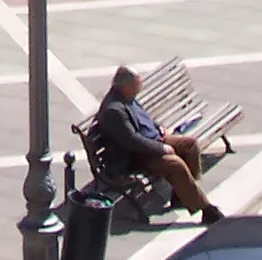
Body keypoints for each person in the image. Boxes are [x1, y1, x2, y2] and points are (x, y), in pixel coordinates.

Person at [94, 65, 223, 221]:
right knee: (175, 164)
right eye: (137, 84)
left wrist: (158, 128)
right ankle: (206, 209)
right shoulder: (114, 110)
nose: (140, 88)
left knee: (189, 145)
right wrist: (161, 148)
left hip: (152, 140)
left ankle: (182, 196)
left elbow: (142, 118)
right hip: (137, 155)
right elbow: (132, 141)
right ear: (125, 86)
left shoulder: (127, 97)